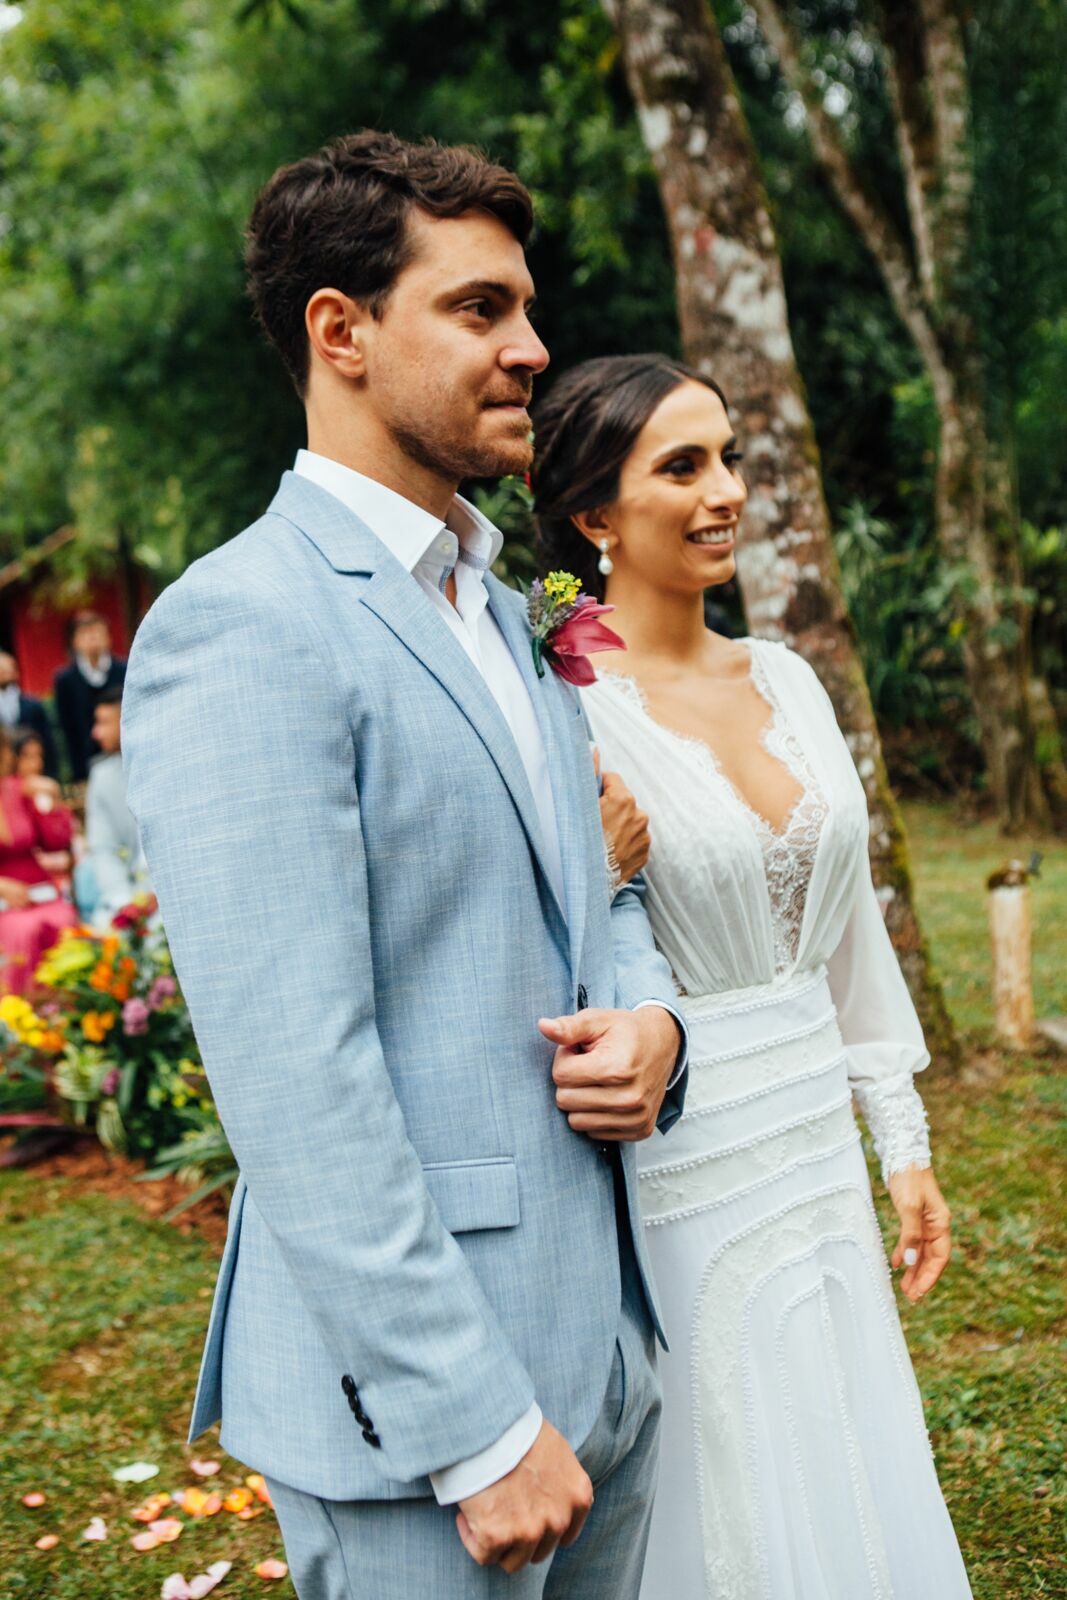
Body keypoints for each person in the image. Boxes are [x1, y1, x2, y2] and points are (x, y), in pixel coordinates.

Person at [122, 132, 687, 1600]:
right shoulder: (243, 625)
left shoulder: (507, 612)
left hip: (606, 1349)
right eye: (480, 309)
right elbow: (292, 1075)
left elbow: (596, 893)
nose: (532, 348)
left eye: (525, 308)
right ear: (341, 331)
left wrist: (652, 1026)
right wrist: (474, 1425)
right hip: (428, 1426)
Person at [531, 353, 973, 1599]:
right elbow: (549, 941)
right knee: (727, 1467)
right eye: (681, 465)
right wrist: (586, 861)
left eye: (727, 456)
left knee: (845, 1438)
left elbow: (847, 933)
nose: (725, 489)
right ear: (592, 515)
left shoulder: (783, 676)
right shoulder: (563, 713)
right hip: (685, 1157)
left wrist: (899, 1136)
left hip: (814, 1148)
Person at [0, 726, 77, 994]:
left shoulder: (17, 789)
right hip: (6, 900)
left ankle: (73, 1009)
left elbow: (55, 842)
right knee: (25, 930)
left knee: (64, 919)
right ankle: (21, 1015)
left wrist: (51, 803)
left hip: (39, 891)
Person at [78, 685, 150, 927]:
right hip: (131, 895)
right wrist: (123, 903)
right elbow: (103, 849)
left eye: (104, 722)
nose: (95, 733)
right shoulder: (102, 777)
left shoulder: (168, 763)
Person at [53, 610, 127, 782]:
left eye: (97, 632)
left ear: (108, 637)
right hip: (88, 763)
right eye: (85, 633)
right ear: (75, 642)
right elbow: (68, 730)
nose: (92, 638)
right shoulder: (65, 681)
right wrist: (79, 774)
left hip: (125, 757)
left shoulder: (124, 670)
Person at [0, 651, 58, 777]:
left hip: (34, 770)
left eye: (7, 669)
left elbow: (48, 741)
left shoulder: (33, 705)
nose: (4, 673)